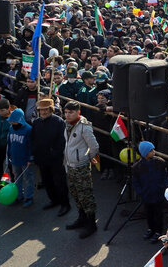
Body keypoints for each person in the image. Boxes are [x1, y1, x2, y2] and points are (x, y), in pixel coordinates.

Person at [63, 101, 100, 238]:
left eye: (71, 112)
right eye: (66, 112)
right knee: (76, 194)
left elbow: (94, 146)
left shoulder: (84, 127)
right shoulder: (67, 124)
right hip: (71, 165)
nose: (67, 115)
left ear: (78, 112)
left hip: (81, 167)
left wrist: (86, 158)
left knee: (86, 196)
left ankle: (91, 224)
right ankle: (82, 218)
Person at [31, 98, 71, 216]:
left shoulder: (59, 122)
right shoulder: (36, 122)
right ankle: (54, 200)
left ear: (51, 109)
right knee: (47, 182)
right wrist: (35, 152)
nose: (43, 112)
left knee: (60, 182)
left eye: (45, 109)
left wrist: (55, 153)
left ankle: (65, 204)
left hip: (55, 159)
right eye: (41, 110)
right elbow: (33, 138)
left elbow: (62, 141)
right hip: (42, 158)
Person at [132, 141, 168, 243]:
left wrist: (165, 188)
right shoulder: (137, 167)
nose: (153, 152)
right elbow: (136, 182)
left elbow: (165, 177)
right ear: (144, 153)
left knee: (158, 213)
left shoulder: (160, 163)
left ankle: (158, 231)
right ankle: (151, 229)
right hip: (147, 195)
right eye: (151, 150)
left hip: (158, 193)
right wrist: (141, 192)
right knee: (149, 213)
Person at [7, 108, 34, 207]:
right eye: (11, 121)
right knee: (17, 179)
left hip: (25, 160)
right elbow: (10, 143)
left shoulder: (28, 129)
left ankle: (29, 197)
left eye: (14, 121)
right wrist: (9, 155)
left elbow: (31, 145)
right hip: (15, 159)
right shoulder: (11, 128)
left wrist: (30, 158)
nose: (13, 123)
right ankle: (18, 196)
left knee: (28, 179)